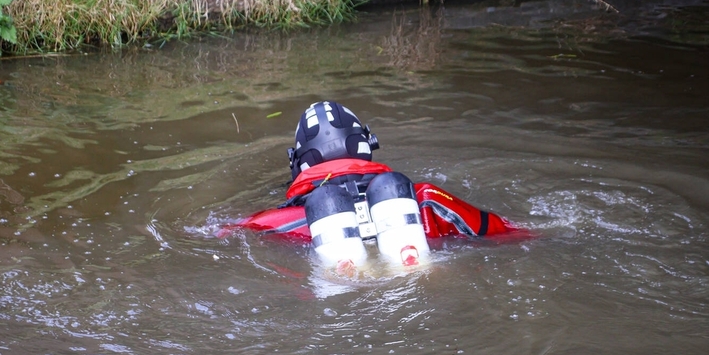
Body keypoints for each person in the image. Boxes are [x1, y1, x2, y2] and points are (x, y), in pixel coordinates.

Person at [218, 101, 519, 268]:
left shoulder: (281, 221)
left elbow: (225, 233)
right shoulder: (425, 199)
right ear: (366, 144)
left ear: (298, 162)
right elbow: (501, 231)